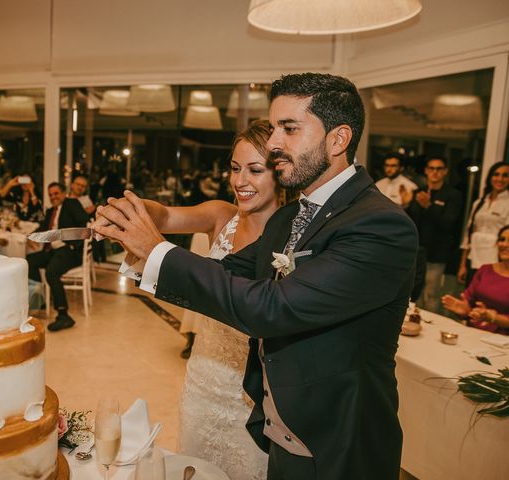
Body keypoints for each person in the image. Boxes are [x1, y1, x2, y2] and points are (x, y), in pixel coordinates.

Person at [95, 73, 418, 480]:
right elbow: (224, 275)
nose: (275, 143)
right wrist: (142, 248)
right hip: (278, 434)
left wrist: (157, 249)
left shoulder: (380, 226)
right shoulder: (289, 217)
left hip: (338, 445)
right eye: (275, 127)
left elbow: (272, 307)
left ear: (338, 140)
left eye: (290, 128)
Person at [124, 120, 278, 479]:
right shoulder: (221, 215)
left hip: (253, 394)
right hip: (202, 379)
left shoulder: (292, 236)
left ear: (280, 173)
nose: (240, 181)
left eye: (255, 170)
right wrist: (132, 207)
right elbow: (163, 215)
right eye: (235, 168)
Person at [26, 182, 90, 332]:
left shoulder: (72, 204)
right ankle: (41, 299)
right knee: (29, 261)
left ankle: (63, 315)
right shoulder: (50, 211)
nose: (53, 197)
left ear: (63, 193)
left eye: (56, 193)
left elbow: (84, 224)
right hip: (54, 251)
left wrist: (73, 244)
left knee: (51, 272)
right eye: (50, 195)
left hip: (70, 250)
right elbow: (43, 227)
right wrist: (32, 236)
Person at [406, 156, 463, 312]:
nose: (435, 172)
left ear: (445, 172)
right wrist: (406, 206)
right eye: (431, 168)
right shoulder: (418, 192)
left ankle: (430, 324)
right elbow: (411, 221)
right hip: (417, 250)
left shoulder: (453, 195)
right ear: (426, 171)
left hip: (437, 252)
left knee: (431, 292)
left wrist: (429, 206)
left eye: (439, 169)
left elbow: (448, 223)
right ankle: (414, 321)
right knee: (414, 291)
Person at [442, 225, 509, 335]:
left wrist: (493, 318)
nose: (504, 244)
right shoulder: (485, 269)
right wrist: (465, 311)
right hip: (472, 332)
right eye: (502, 239)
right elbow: (469, 302)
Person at [458, 161, 509, 286]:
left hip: (495, 263)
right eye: (496, 174)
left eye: (505, 175)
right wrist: (463, 264)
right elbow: (468, 234)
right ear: (490, 177)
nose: (500, 179)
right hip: (473, 260)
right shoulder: (479, 203)